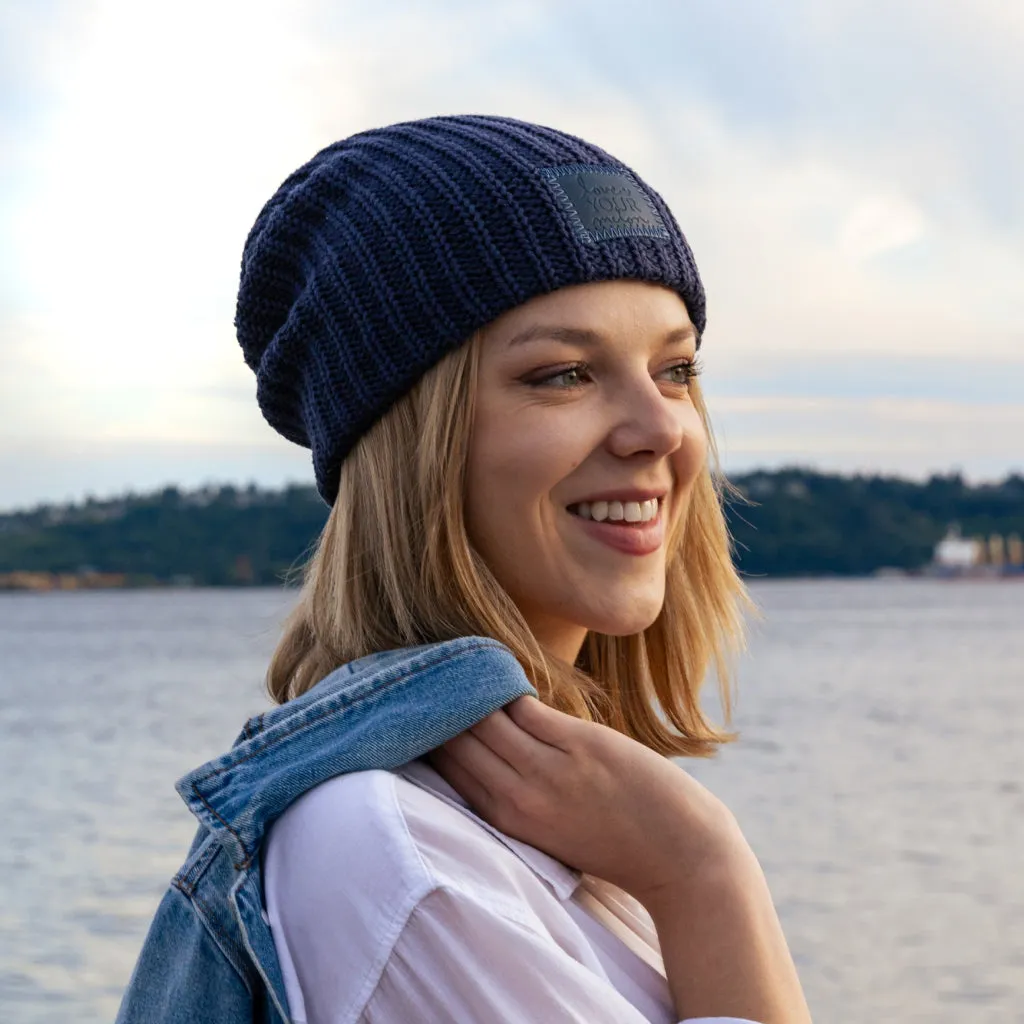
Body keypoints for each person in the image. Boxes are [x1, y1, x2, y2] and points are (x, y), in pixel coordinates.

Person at [116, 115, 811, 1024]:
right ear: (416, 442)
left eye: (675, 367)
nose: (663, 429)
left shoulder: (574, 821)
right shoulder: (390, 850)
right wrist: (705, 876)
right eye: (563, 374)